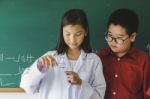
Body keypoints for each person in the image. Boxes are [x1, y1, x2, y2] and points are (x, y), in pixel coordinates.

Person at [20, 9, 106, 99]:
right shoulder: (49, 58)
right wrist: (38, 68)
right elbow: (26, 86)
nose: (72, 40)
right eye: (68, 34)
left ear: (85, 32)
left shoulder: (94, 61)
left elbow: (99, 96)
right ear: (62, 32)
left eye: (77, 34)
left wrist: (81, 83)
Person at [96, 8, 150, 99]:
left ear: (132, 37)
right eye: (110, 36)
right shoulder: (99, 57)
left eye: (119, 38)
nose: (113, 42)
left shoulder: (144, 60)